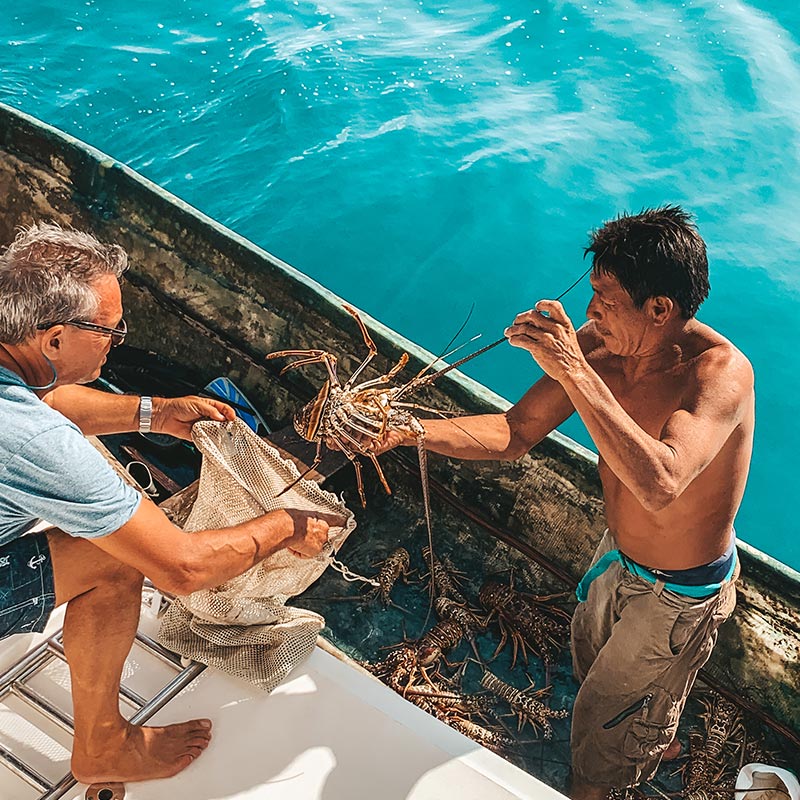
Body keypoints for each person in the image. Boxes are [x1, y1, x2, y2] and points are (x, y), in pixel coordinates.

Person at [377, 205, 753, 798]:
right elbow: (514, 432)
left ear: (660, 308)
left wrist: (577, 373)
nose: (589, 313)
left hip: (678, 595)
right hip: (616, 558)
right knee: (588, 662)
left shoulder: (719, 375)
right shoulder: (597, 348)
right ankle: (654, 730)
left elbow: (660, 484)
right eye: (592, 295)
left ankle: (616, 765)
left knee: (601, 733)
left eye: (605, 300)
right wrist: (407, 429)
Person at [0, 223, 342, 784]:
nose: (118, 341)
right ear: (54, 339)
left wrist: (154, 413)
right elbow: (181, 568)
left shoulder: (15, 358)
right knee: (116, 557)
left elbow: (44, 396)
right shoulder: (38, 444)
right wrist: (284, 526)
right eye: (109, 330)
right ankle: (103, 747)